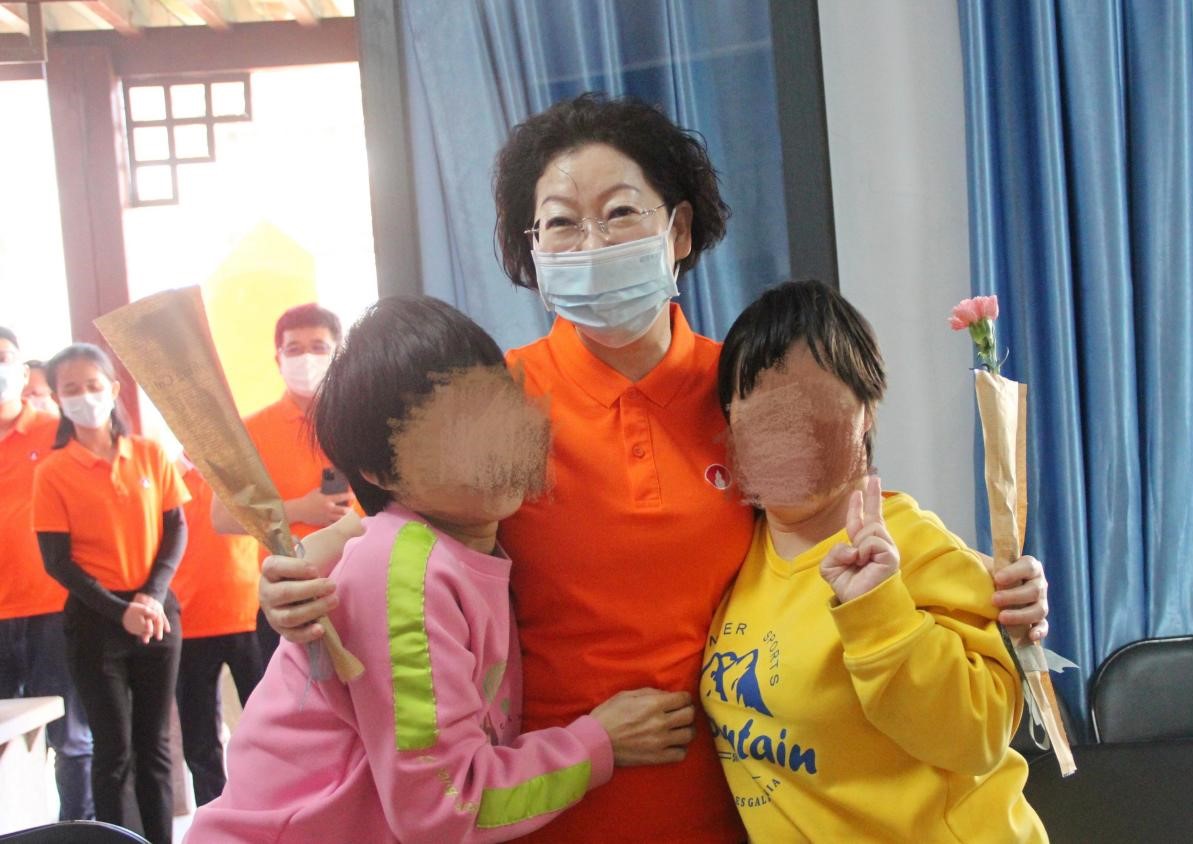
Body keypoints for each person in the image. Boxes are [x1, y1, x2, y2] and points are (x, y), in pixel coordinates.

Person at [258, 93, 1050, 842]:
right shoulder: (497, 399)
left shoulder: (745, 388)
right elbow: (397, 537)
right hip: (547, 812)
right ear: (533, 250)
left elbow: (843, 519)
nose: (593, 243)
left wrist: (989, 587)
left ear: (678, 228)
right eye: (560, 223)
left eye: (620, 212)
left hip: (745, 809)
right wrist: (299, 578)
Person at [187, 296, 696, 842]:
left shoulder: (461, 541)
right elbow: (445, 808)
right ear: (380, 470)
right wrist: (599, 742)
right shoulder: (404, 570)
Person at [704, 279, 1046, 840]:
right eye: (759, 407)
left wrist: (879, 613)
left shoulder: (912, 544)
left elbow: (980, 736)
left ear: (865, 412)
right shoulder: (739, 549)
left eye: (811, 404)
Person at [31, 343, 189, 844]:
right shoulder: (52, 471)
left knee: (155, 747)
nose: (85, 396)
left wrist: (151, 596)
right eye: (71, 389)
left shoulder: (148, 453)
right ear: (58, 398)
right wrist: (121, 611)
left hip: (156, 614)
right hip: (96, 621)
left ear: (114, 388)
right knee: (113, 751)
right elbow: (58, 561)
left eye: (94, 385)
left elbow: (175, 528)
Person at [0, 328, 93, 821]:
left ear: (21, 371)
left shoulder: (57, 430)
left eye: (3, 358)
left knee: (71, 738)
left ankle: (76, 830)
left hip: (54, 605)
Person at [236, 303, 355, 662]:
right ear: (279, 359)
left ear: (338, 354)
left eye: (318, 347)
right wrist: (300, 509)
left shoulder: (360, 419)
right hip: (286, 597)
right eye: (294, 349)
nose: (306, 358)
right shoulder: (253, 429)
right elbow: (222, 516)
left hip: (361, 586)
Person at [171, 455, 264, 806]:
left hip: (249, 613)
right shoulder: (168, 474)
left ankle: (268, 805)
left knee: (267, 725)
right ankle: (214, 813)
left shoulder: (239, 468)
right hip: (189, 621)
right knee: (200, 740)